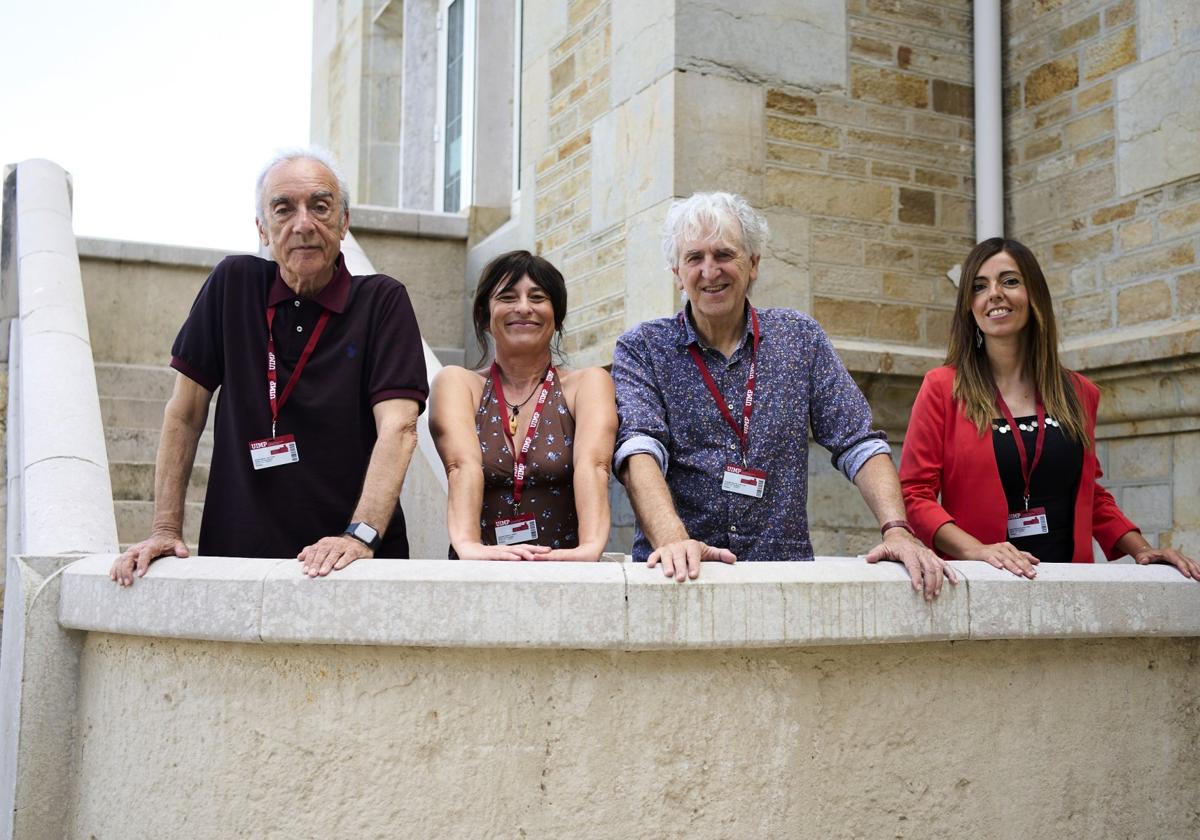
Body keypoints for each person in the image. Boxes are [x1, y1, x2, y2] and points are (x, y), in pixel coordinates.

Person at [611, 192, 955, 598]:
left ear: (753, 264)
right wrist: (672, 540)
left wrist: (897, 530)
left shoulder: (799, 338)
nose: (709, 271)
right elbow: (639, 449)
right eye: (694, 258)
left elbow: (858, 440)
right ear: (675, 270)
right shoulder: (643, 348)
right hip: (679, 576)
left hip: (781, 579)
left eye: (724, 254)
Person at [110, 148, 428, 585]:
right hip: (240, 556)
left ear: (344, 221)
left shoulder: (382, 301)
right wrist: (164, 530)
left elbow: (400, 428)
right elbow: (184, 413)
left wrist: (360, 536)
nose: (303, 224)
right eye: (284, 209)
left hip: (353, 563)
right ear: (262, 228)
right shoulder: (233, 285)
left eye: (320, 206)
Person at [900, 237, 1199, 579]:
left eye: (1009, 281)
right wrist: (977, 550)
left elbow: (1091, 495)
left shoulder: (1078, 392)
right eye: (979, 287)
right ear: (969, 305)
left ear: (1034, 294)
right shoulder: (942, 388)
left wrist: (1142, 550)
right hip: (985, 580)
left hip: (1069, 582)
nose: (994, 293)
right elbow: (915, 495)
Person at [429, 250, 616, 561]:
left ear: (557, 317)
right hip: (482, 569)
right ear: (484, 318)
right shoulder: (458, 384)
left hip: (564, 570)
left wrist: (590, 549)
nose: (524, 308)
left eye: (538, 297)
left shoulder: (588, 384)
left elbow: (595, 465)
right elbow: (461, 466)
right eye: (507, 297)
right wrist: (468, 547)